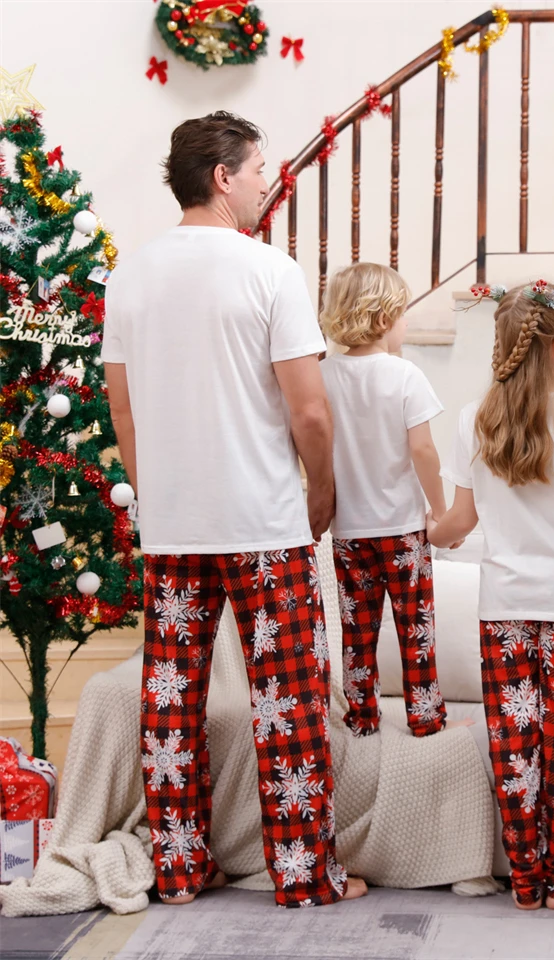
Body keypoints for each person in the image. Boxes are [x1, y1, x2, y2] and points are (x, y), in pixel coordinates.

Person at [102, 111, 365, 907]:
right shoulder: (269, 270)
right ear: (222, 177)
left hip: (175, 530)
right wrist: (321, 487)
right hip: (263, 528)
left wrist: (160, 498)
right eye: (257, 170)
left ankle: (180, 872)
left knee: (171, 702)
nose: (264, 183)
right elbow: (310, 413)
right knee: (287, 704)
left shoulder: (130, 276)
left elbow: (123, 412)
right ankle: (301, 876)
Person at [428, 281, 554, 911]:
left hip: (503, 610)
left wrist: (421, 535)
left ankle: (524, 882)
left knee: (514, 746)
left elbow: (458, 523)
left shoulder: (472, 421)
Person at [318, 262, 472, 738]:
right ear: (384, 318)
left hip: (349, 533)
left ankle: (362, 718)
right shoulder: (404, 375)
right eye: (403, 313)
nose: (405, 323)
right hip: (403, 531)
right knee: (415, 630)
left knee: (357, 632)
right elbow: (423, 450)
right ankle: (426, 718)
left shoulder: (322, 376)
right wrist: (441, 510)